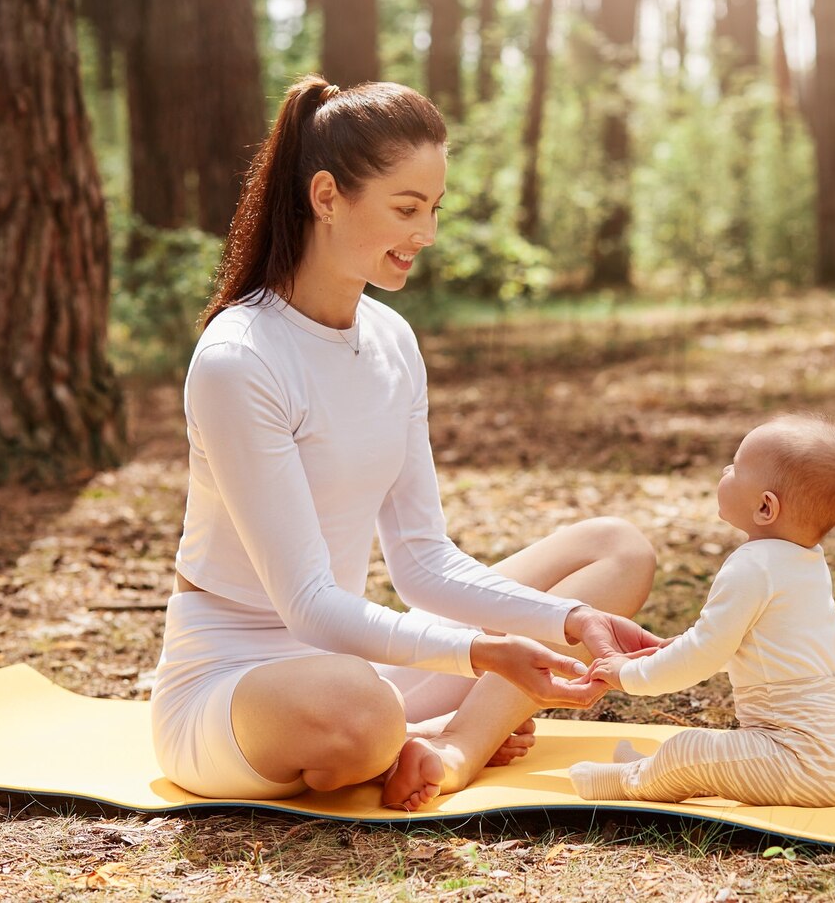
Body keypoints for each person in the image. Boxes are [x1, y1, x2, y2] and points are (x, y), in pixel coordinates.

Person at [151, 75, 660, 813]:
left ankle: (451, 747)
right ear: (327, 197)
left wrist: (566, 620)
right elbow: (308, 608)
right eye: (406, 208)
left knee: (616, 551)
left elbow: (424, 562)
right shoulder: (242, 358)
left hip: (359, 669)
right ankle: (422, 730)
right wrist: (484, 652)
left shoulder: (392, 339)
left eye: (433, 209)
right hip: (237, 690)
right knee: (358, 709)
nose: (426, 234)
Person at [568, 414, 835, 807]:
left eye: (736, 466)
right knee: (725, 755)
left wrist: (628, 674)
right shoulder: (806, 561)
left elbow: (704, 655)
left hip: (803, 766)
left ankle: (631, 781)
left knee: (691, 749)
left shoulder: (753, 564)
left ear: (766, 507)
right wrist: (675, 647)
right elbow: (750, 644)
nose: (725, 470)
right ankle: (659, 769)